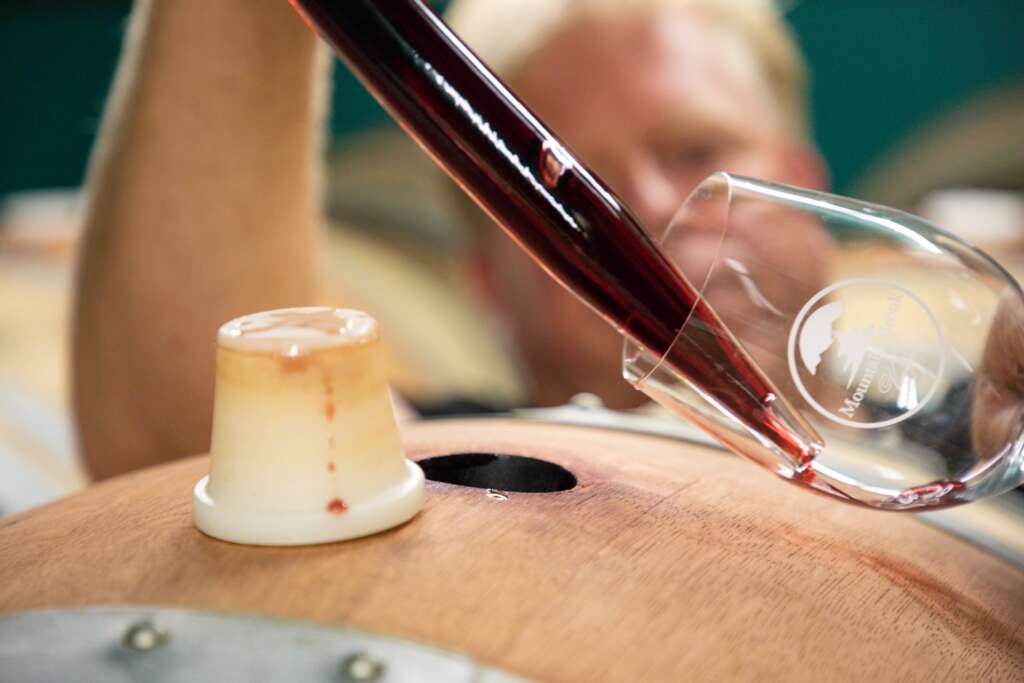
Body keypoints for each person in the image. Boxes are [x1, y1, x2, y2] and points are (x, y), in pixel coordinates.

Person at [72, 0, 829, 480]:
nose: (647, 210)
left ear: (807, 180)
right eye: (563, 199)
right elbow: (198, 447)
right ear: (488, 279)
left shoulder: (949, 418)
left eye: (698, 150)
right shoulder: (451, 465)